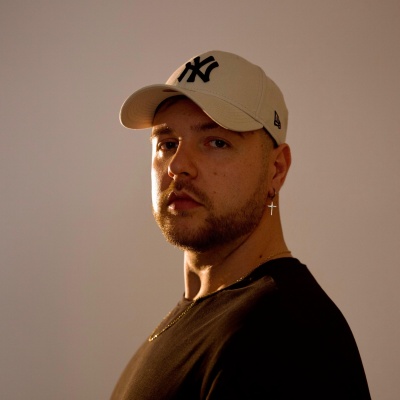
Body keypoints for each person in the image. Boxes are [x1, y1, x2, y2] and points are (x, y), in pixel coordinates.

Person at [111, 50, 371, 399]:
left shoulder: (285, 335)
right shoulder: (211, 317)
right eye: (167, 143)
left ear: (276, 170)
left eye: (217, 142)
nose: (178, 165)